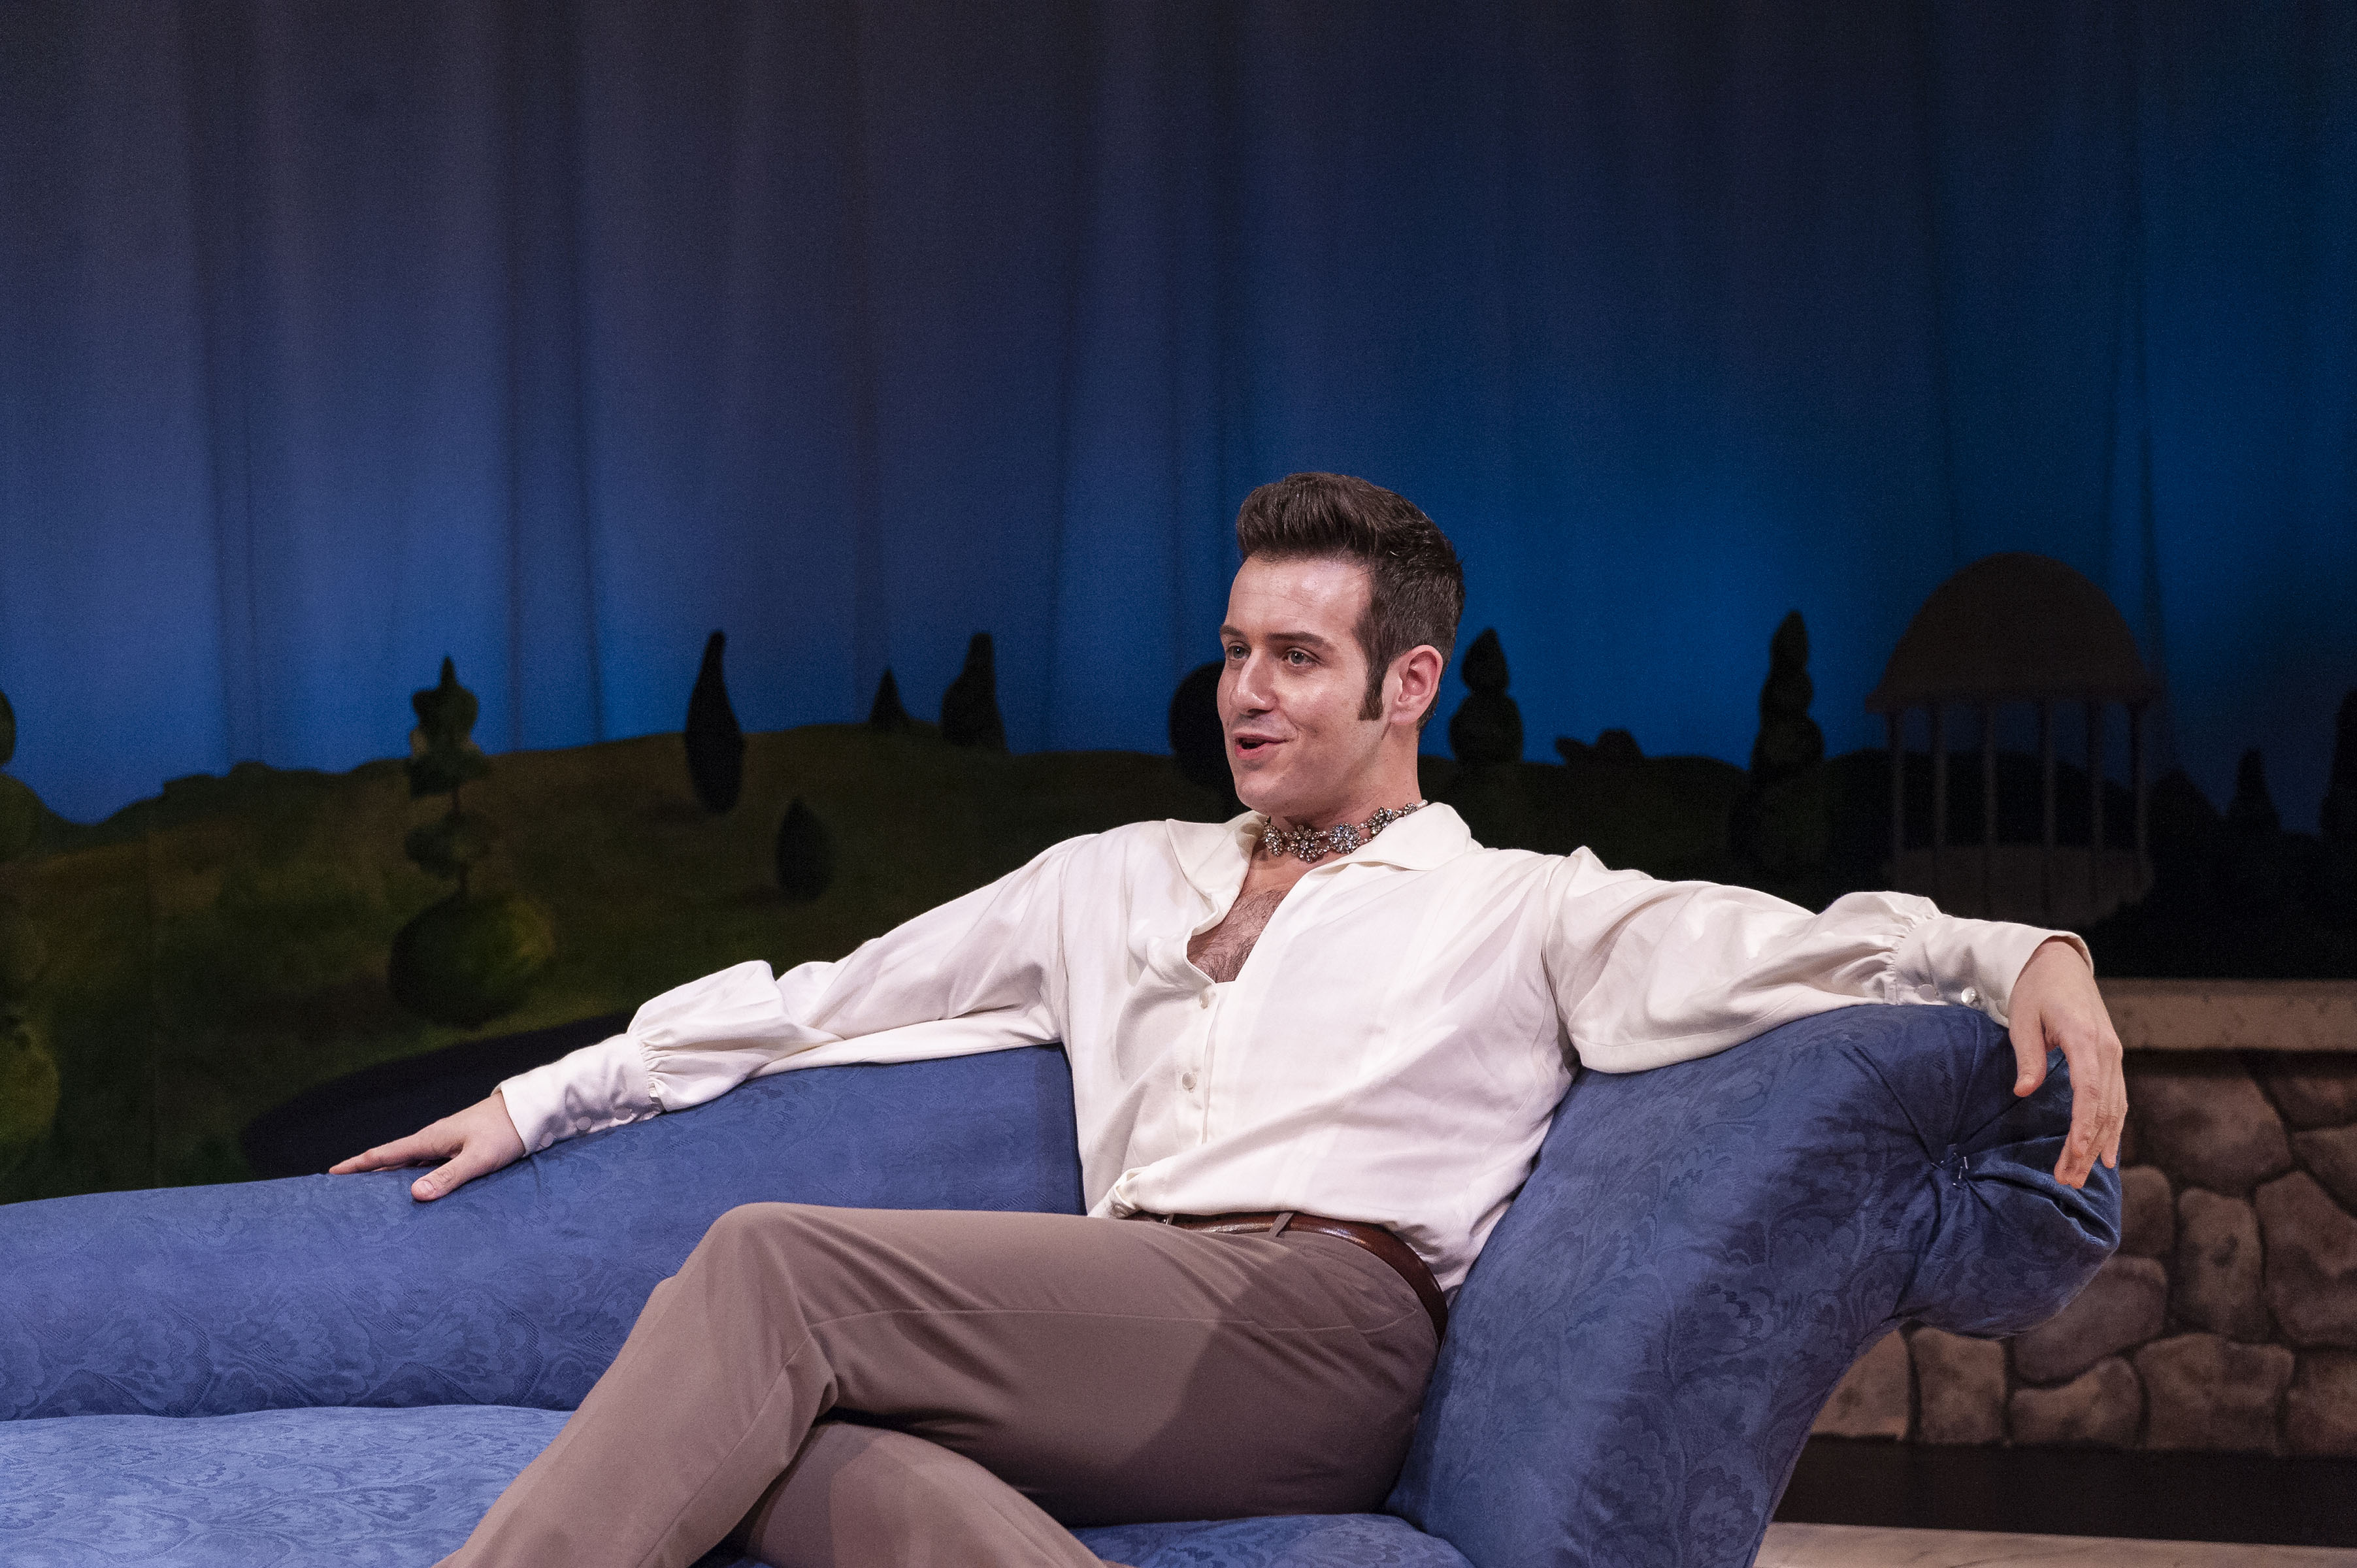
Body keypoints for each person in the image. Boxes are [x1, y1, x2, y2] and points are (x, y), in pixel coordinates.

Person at [335, 472, 2126, 1568]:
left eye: (1297, 658)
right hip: (1122, 1324)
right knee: (801, 1462)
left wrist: (2018, 953)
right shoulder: (1111, 876)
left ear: (1409, 682)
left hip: (1327, 1335)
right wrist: (547, 1101)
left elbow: (1785, 948)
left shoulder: (1524, 907)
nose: (1244, 694)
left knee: (767, 1272)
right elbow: (827, 1004)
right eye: (1235, 650)